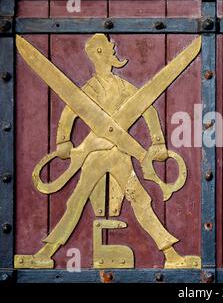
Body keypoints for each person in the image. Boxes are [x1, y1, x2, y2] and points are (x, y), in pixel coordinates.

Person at [16, 34, 199, 269]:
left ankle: (171, 256)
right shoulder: (89, 89)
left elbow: (148, 109)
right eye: (108, 46)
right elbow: (70, 112)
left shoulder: (123, 86)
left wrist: (158, 142)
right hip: (96, 155)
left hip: (119, 155)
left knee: (140, 200)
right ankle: (45, 253)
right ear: (99, 54)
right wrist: (63, 142)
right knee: (77, 201)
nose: (114, 47)